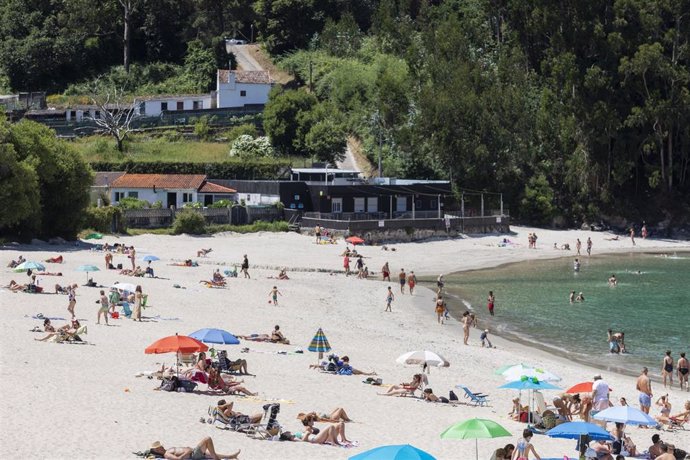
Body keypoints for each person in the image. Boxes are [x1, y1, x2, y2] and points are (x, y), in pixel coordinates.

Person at [148, 437, 240, 460]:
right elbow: (178, 459)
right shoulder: (166, 454)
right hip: (192, 455)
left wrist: (188, 449)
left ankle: (231, 456)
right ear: (157, 450)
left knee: (211, 452)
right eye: (159, 446)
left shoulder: (168, 450)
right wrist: (188, 451)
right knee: (207, 439)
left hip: (192, 452)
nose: (161, 446)